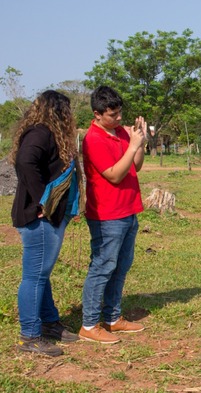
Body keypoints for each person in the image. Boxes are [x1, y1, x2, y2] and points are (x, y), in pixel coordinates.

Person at [10, 90, 84, 356]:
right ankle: (30, 335)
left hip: (48, 216)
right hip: (37, 217)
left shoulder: (46, 134)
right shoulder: (40, 133)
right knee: (34, 276)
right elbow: (25, 162)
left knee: (42, 273)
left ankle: (49, 322)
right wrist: (43, 199)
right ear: (59, 112)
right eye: (67, 111)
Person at [79, 86, 147, 344]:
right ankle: (89, 324)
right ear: (97, 114)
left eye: (120, 113)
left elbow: (136, 166)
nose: (119, 119)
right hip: (107, 214)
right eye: (113, 115)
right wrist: (133, 144)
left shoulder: (120, 133)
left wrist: (139, 142)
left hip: (128, 209)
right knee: (102, 267)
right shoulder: (93, 139)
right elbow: (114, 175)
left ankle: (112, 318)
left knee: (121, 266)